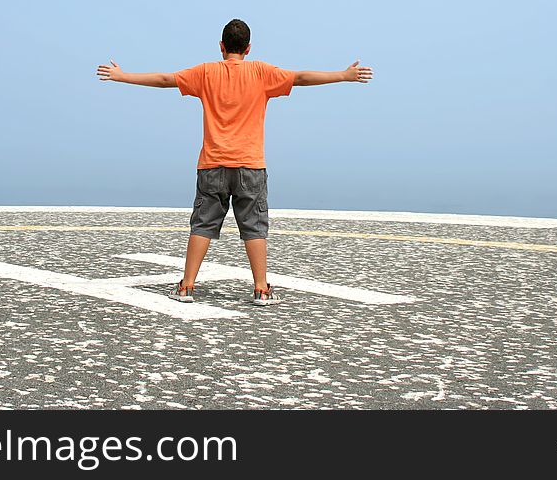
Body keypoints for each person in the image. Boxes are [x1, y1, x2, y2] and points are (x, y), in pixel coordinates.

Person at [96, 19, 372, 305]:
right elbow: (300, 77)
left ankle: (186, 286)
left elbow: (166, 80)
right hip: (250, 165)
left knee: (203, 224)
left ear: (221, 46)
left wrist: (122, 75)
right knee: (254, 226)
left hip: (212, 163)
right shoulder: (262, 72)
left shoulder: (206, 72)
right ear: (248, 47)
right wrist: (343, 74)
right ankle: (261, 288)